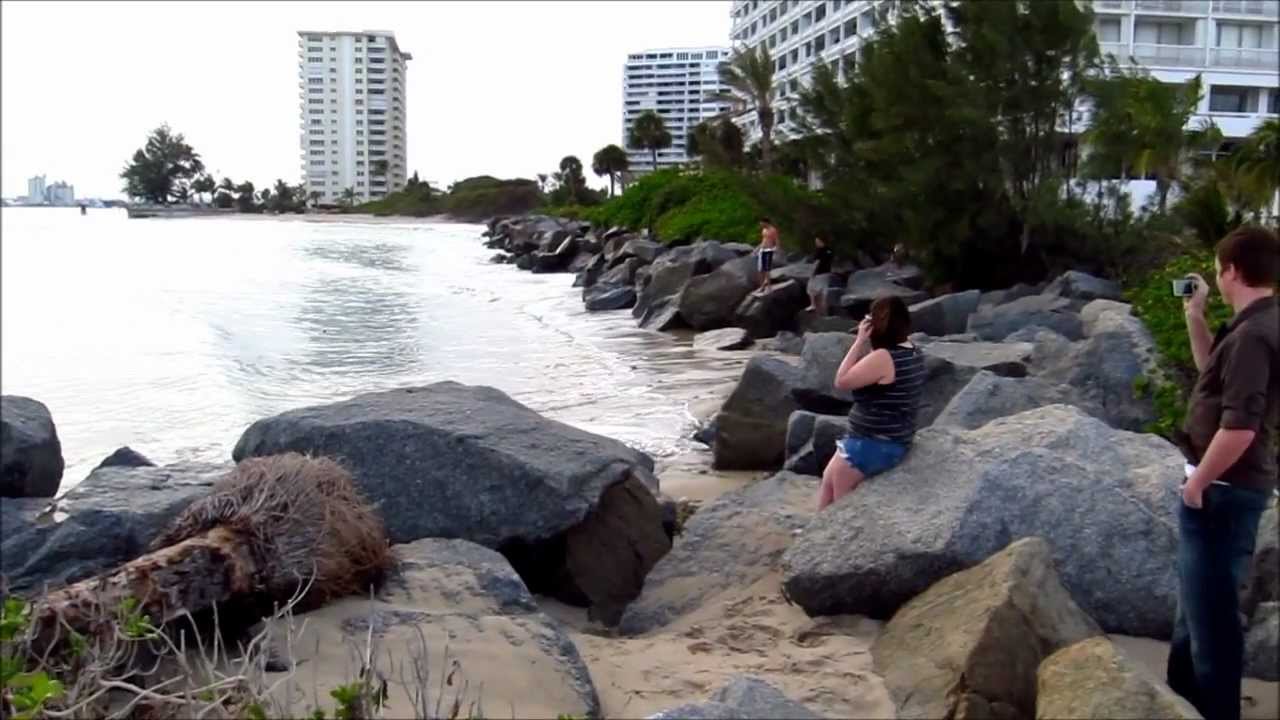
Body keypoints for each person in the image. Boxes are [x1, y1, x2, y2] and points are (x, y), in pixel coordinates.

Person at [1169, 225, 1279, 720]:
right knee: (1194, 618)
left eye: (1218, 268)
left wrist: (1196, 484)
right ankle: (1180, 704)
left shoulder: (1256, 333)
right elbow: (1214, 369)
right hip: (1225, 488)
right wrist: (1195, 315)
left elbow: (1241, 428)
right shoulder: (1255, 324)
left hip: (1224, 491)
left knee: (1211, 627)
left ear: (1232, 270)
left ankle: (1213, 711)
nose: (1216, 276)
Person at [817, 296, 926, 511]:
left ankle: (835, 540)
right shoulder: (912, 350)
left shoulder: (885, 358)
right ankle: (813, 536)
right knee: (828, 477)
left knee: (839, 501)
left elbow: (842, 381)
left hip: (875, 443)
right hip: (882, 439)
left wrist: (859, 341)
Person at [807, 236, 835, 314]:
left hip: (818, 274)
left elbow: (817, 263)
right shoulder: (830, 250)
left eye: (817, 241)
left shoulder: (819, 251)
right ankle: (825, 312)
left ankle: (813, 305)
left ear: (821, 241)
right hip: (827, 273)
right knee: (824, 293)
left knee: (810, 289)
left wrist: (812, 273)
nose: (816, 243)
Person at [755, 217, 779, 294]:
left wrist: (776, 248)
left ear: (766, 222)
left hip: (769, 250)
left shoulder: (773, 230)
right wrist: (758, 248)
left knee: (767, 269)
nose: (760, 224)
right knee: (760, 270)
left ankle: (769, 287)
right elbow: (763, 239)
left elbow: (776, 239)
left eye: (761, 222)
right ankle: (762, 286)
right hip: (762, 250)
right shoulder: (764, 230)